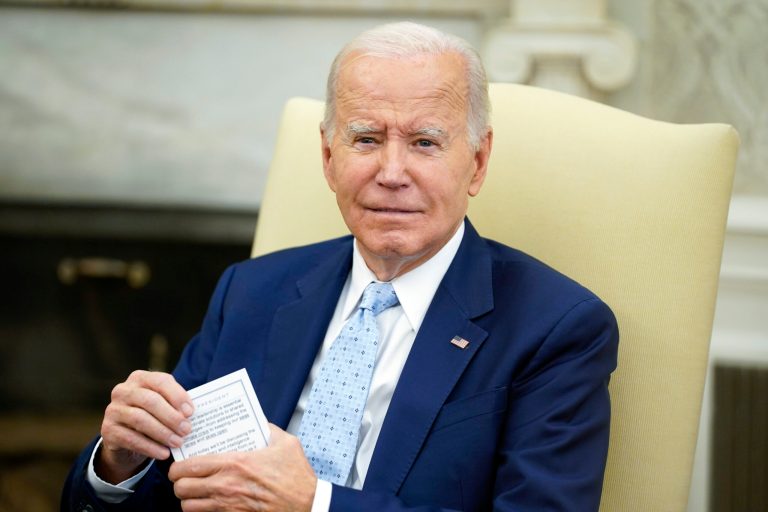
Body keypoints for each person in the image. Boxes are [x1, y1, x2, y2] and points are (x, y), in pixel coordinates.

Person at [62, 21, 619, 511]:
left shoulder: (557, 329)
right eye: (366, 139)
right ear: (329, 158)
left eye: (425, 142)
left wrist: (315, 504)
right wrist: (119, 465)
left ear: (477, 163)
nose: (391, 171)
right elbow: (170, 493)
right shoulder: (251, 292)